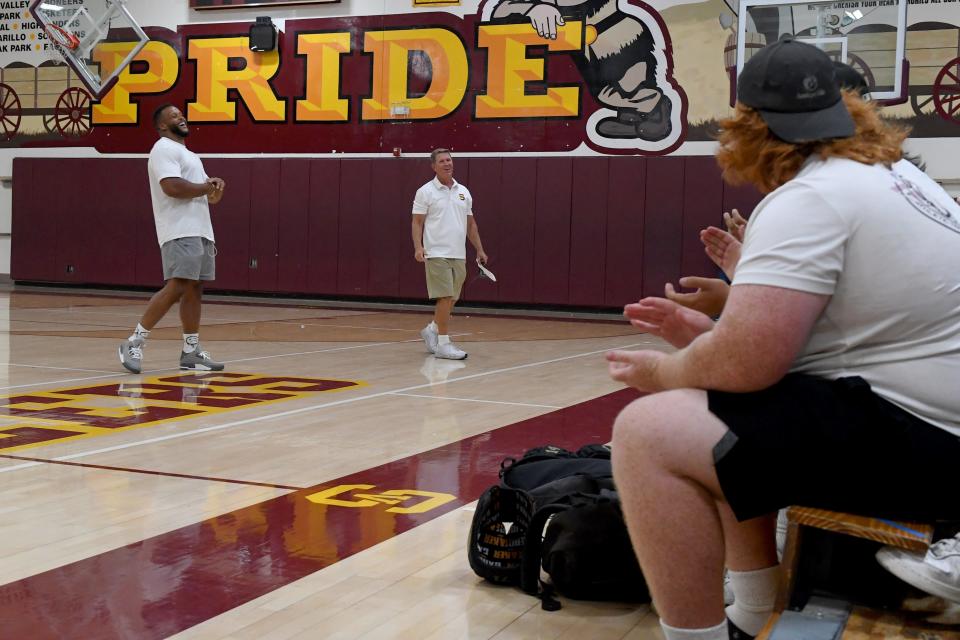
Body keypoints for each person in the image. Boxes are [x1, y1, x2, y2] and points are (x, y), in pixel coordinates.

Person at [606, 36, 960, 640]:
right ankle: (753, 612)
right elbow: (805, 342)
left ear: (748, 128)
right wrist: (710, 336)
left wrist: (662, 371)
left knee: (649, 433)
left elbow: (748, 365)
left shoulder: (811, 196)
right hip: (931, 425)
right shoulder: (899, 176)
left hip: (932, 449)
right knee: (726, 415)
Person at [118, 103, 226, 374]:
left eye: (182, 114)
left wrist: (215, 189)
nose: (182, 117)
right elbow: (173, 187)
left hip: (200, 229)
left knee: (194, 289)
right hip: (179, 229)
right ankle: (134, 342)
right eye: (175, 115)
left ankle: (191, 352)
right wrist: (205, 187)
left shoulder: (189, 154)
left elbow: (208, 197)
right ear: (162, 125)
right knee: (178, 285)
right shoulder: (163, 149)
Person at [412, 148, 489, 360]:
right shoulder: (425, 191)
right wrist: (418, 247)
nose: (447, 164)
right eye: (442, 161)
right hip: (436, 252)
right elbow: (417, 222)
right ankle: (444, 344)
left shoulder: (463, 191)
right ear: (433, 166)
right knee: (445, 296)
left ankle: (432, 329)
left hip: (459, 253)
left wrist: (479, 249)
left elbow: (470, 225)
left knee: (452, 298)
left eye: (449, 160)